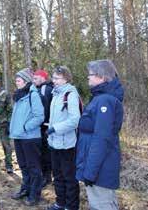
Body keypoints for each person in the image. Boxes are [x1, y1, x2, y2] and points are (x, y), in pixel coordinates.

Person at [76, 60, 124, 210]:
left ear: (102, 77)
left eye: (90, 75)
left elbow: (101, 139)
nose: (88, 78)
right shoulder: (100, 98)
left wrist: (90, 172)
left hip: (100, 170)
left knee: (102, 205)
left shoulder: (105, 101)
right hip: (97, 166)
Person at [46, 66, 81, 210]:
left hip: (67, 144)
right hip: (54, 142)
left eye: (57, 78)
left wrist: (56, 128)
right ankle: (60, 203)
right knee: (58, 176)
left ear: (66, 79)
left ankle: (71, 206)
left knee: (69, 177)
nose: (53, 81)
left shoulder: (70, 94)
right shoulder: (56, 94)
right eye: (53, 78)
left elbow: (75, 120)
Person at [10, 68, 45, 206]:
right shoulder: (19, 96)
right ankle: (26, 189)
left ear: (25, 81)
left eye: (18, 81)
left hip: (30, 137)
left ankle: (34, 194)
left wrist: (25, 127)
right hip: (19, 136)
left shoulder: (33, 95)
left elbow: (39, 116)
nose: (16, 83)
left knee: (33, 167)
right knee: (23, 166)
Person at [32, 69, 54, 187]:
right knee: (44, 152)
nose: (34, 81)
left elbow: (44, 109)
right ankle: (46, 175)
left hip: (45, 126)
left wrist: (41, 123)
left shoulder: (45, 89)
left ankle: (46, 177)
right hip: (45, 126)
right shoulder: (41, 88)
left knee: (45, 152)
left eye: (36, 78)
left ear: (42, 78)